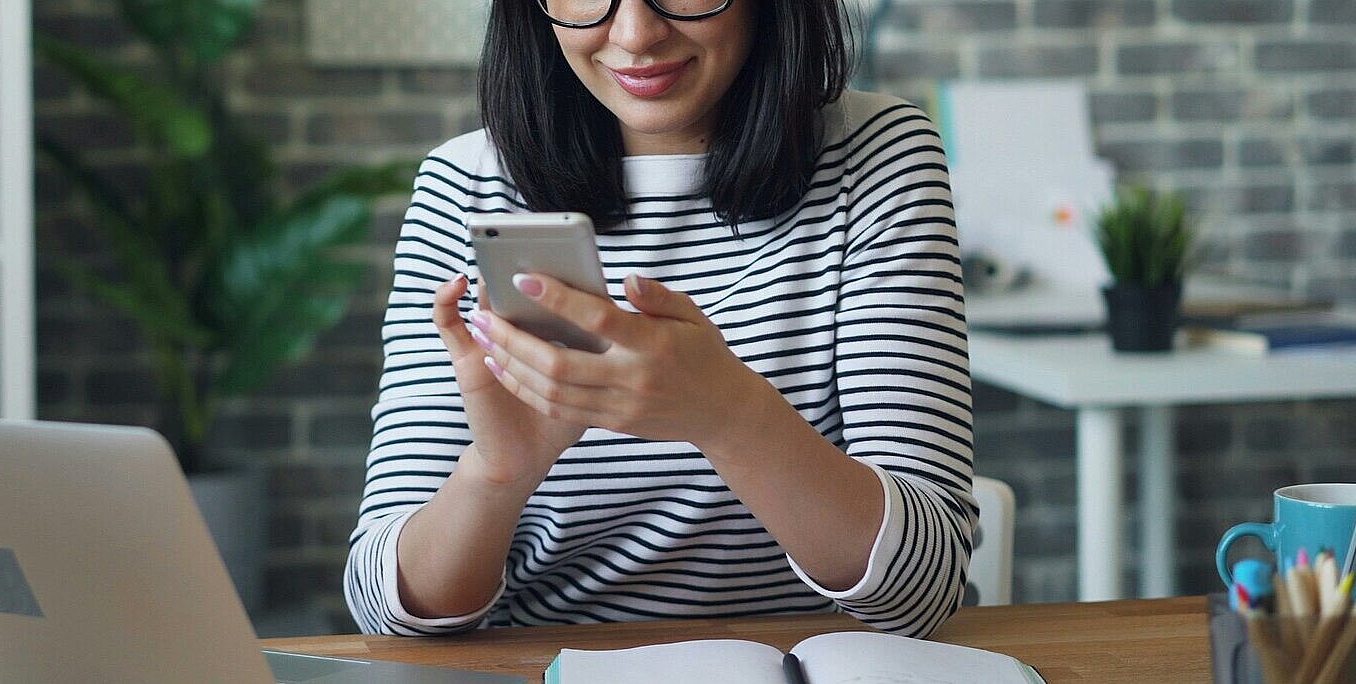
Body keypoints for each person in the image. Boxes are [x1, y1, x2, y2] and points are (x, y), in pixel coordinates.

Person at [345, 0, 974, 639]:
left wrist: (727, 414)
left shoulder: (878, 155)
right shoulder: (468, 184)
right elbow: (384, 611)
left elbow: (921, 592)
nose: (636, 35)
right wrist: (496, 472)